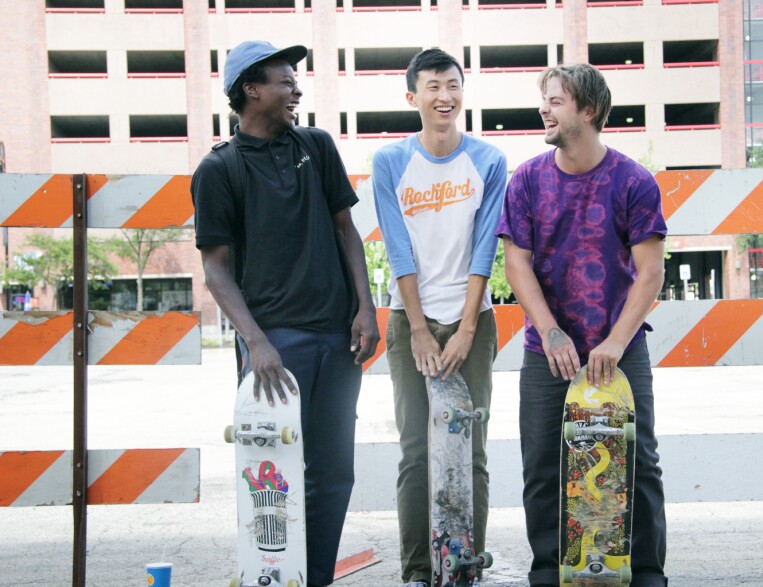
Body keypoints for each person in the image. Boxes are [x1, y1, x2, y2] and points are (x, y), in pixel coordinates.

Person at [190, 40, 380, 587]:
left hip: (338, 338)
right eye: (284, 80)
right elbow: (216, 271)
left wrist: (364, 308)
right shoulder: (218, 170)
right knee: (272, 478)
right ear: (251, 89)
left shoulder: (317, 146)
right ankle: (275, 576)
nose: (296, 89)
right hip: (276, 344)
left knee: (333, 474)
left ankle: (314, 578)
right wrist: (256, 342)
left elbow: (347, 231)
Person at [496, 64, 668, 587]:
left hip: (620, 348)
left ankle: (646, 575)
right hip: (546, 349)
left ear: (588, 110)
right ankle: (549, 573)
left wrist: (616, 342)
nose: (543, 109)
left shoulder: (633, 181)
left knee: (638, 464)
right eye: (544, 100)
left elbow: (651, 272)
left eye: (555, 101)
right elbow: (516, 263)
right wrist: (550, 331)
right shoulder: (526, 179)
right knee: (544, 466)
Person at [371, 48, 508, 587]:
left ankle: (464, 568)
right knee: (416, 449)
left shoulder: (489, 161)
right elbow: (397, 247)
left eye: (452, 85)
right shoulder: (390, 162)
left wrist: (468, 328)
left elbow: (485, 249)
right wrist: (422, 329)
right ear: (413, 98)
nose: (444, 95)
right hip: (411, 324)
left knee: (472, 446)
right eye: (432, 86)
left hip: (473, 319)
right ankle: (418, 572)